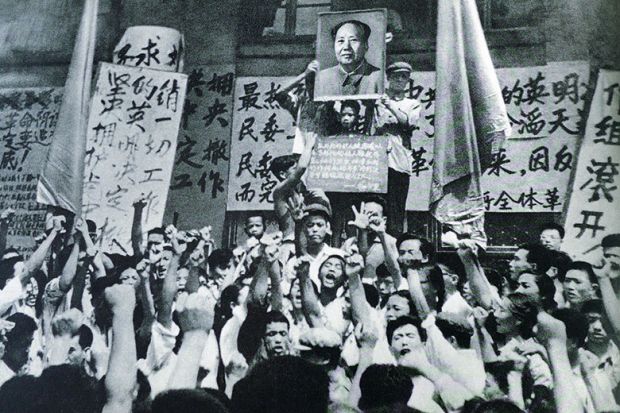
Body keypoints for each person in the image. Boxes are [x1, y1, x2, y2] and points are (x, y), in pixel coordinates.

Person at [373, 61, 421, 235]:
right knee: (374, 204)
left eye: (404, 76)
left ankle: (394, 244)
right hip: (376, 159)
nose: (399, 80)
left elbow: (409, 123)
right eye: (395, 76)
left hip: (398, 161)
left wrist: (390, 106)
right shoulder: (377, 99)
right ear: (388, 78)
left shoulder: (412, 103)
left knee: (396, 206)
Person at [315, 20, 382, 98]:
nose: (346, 47)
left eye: (353, 40)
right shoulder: (322, 78)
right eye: (341, 41)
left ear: (366, 45)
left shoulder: (379, 77)